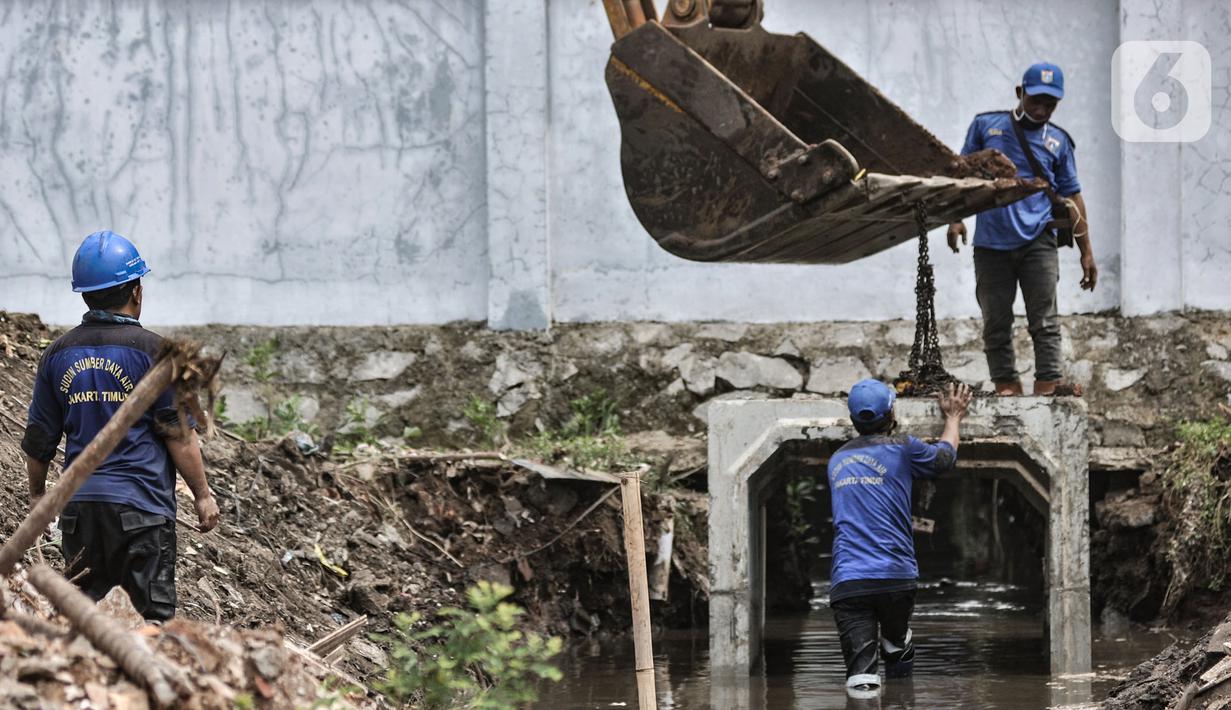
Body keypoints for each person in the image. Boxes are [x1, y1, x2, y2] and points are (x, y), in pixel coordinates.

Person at [22, 231, 220, 621]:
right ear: (136, 292)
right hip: (141, 512)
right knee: (150, 623)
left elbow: (39, 441)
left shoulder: (57, 355)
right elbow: (179, 435)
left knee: (86, 623)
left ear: (84, 294)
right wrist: (202, 494)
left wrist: (36, 498)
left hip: (80, 513)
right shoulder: (157, 353)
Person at [947, 61, 1096, 396]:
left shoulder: (1058, 142)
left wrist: (1087, 252)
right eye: (1035, 101)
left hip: (1038, 241)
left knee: (1044, 320)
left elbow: (1073, 195)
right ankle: (1006, 386)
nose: (1042, 109)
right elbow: (961, 172)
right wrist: (954, 218)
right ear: (1020, 93)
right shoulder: (986, 126)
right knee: (995, 322)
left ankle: (1047, 386)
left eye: (1050, 104)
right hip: (991, 243)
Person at [827, 379, 972, 695]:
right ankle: (902, 694)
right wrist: (953, 418)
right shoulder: (904, 448)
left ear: (853, 420)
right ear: (891, 413)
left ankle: (869, 689)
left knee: (861, 681)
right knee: (896, 644)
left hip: (850, 580)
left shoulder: (836, 459)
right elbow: (943, 460)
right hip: (896, 577)